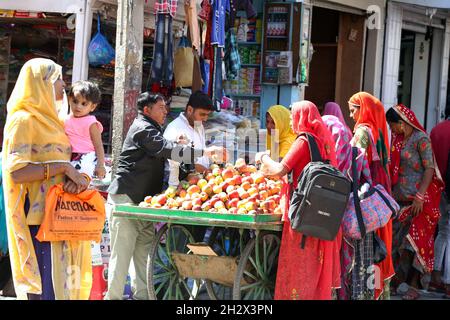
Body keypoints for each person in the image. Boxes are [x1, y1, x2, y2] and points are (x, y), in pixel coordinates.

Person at [105, 92, 227, 300]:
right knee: (121, 257)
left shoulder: (154, 129)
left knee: (144, 257)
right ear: (147, 110)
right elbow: (166, 150)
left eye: (165, 107)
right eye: (161, 108)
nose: (165, 111)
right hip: (126, 200)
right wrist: (205, 153)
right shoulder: (142, 129)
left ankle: (143, 297)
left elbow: (169, 150)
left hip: (143, 204)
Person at [2, 58, 92, 300]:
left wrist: (76, 177)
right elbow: (16, 172)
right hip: (38, 217)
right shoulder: (23, 120)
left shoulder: (52, 119)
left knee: (61, 287)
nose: (64, 84)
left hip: (60, 214)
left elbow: (67, 161)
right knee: (45, 289)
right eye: (57, 78)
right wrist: (61, 167)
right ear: (41, 83)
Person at [255, 101, 341, 300]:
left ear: (302, 117)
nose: (292, 121)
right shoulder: (322, 139)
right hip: (318, 209)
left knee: (297, 262)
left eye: (294, 116)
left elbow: (279, 170)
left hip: (300, 208)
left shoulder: (303, 140)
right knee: (312, 262)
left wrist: (264, 159)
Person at [386, 104, 444, 300]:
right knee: (394, 241)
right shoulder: (399, 140)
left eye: (392, 125)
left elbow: (429, 169)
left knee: (412, 244)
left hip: (418, 202)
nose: (391, 129)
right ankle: (397, 282)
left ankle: (411, 286)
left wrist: (420, 197)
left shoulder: (422, 139)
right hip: (399, 200)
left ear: (401, 124)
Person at [348, 91, 395, 300]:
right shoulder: (379, 131)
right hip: (380, 199)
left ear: (363, 109)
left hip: (365, 200)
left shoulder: (362, 133)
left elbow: (353, 165)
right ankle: (376, 291)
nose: (350, 115)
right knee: (379, 244)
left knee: (365, 248)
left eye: (352, 110)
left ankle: (365, 294)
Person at [322, 115, 372, 300]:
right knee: (348, 260)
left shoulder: (325, 158)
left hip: (336, 217)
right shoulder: (356, 153)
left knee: (337, 258)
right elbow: (368, 179)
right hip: (351, 216)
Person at [164, 90, 213, 187]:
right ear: (190, 110)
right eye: (202, 114)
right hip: (179, 186)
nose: (205, 119)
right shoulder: (174, 129)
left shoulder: (199, 125)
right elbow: (180, 160)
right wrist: (207, 172)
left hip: (201, 182)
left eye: (208, 115)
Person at [65, 80, 106, 179]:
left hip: (85, 158)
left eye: (84, 104)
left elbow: (98, 145)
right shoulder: (65, 119)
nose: (78, 106)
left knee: (79, 186)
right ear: (69, 99)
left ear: (92, 107)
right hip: (66, 157)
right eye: (75, 101)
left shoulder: (91, 122)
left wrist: (100, 165)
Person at [429, 105, 450, 298]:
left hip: (438, 187)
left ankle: (435, 274)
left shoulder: (436, 130)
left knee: (443, 231)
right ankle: (446, 279)